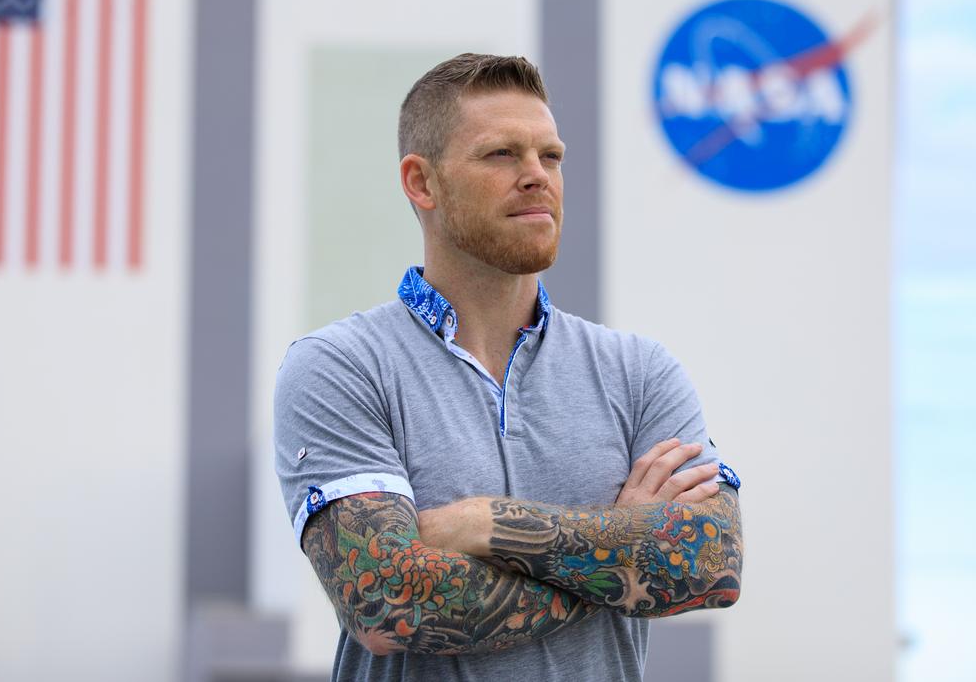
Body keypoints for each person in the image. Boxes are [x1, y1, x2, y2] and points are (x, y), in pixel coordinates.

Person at [274, 53, 742, 681]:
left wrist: (482, 524)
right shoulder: (340, 367)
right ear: (422, 183)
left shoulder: (640, 372)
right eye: (501, 155)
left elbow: (710, 566)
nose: (537, 176)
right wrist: (624, 550)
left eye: (551, 156)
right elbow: (387, 602)